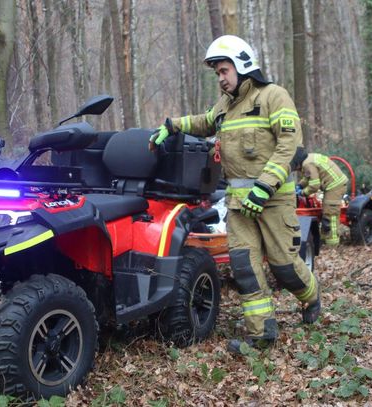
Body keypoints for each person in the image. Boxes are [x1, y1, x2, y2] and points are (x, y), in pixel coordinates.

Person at [149, 35, 321, 351]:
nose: (220, 78)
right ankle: (261, 334)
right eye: (217, 73)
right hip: (239, 205)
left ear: (242, 66)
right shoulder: (224, 106)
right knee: (244, 267)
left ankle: (311, 297)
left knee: (284, 266)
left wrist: (264, 186)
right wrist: (173, 125)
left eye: (224, 70)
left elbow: (289, 145)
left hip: (273, 200)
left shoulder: (273, 96)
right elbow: (204, 122)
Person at [292, 148, 348, 246]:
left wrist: (302, 193)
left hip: (335, 185)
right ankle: (324, 239)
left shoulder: (307, 164)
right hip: (334, 184)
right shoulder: (308, 158)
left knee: (330, 214)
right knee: (326, 213)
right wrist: (300, 185)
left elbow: (314, 186)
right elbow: (308, 177)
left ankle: (332, 244)